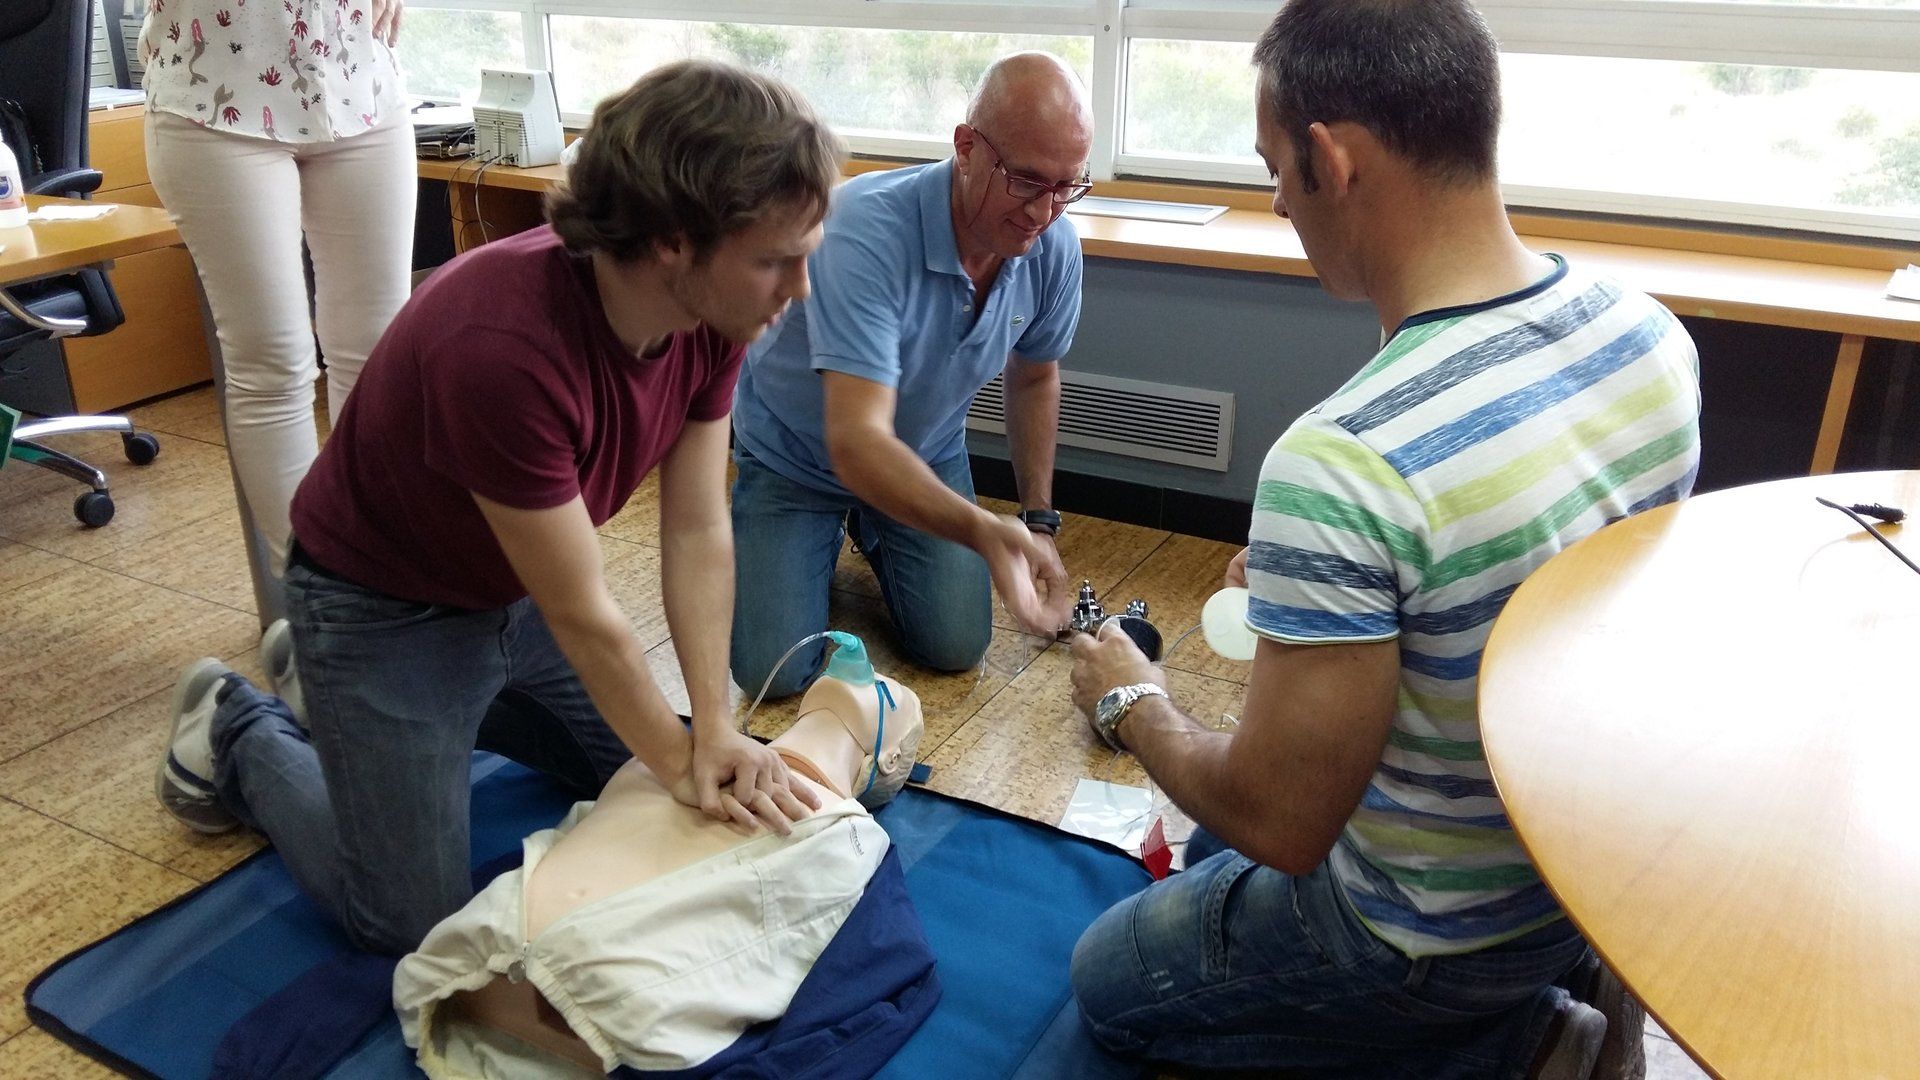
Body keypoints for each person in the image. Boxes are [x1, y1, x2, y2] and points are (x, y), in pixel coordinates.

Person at [1064, 2, 1702, 1077]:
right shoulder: (1645, 333)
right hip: (1585, 880)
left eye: (1275, 168)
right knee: (1214, 842)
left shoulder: (1344, 460)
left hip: (1426, 941)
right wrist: (1330, 588)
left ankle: (1523, 1046)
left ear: (1331, 160)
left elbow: (1284, 822)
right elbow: (1516, 585)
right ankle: (1552, 994)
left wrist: (1133, 703)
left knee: (1106, 982)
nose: (1277, 201)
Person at [154, 60, 841, 955]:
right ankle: (238, 726)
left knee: (653, 780)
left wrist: (711, 727)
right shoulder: (500, 345)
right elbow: (584, 612)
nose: (800, 288)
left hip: (513, 597)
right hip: (381, 609)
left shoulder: (715, 314)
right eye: (776, 261)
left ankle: (337, 698)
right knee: (406, 921)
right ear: (675, 241)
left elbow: (697, 526)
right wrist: (681, 758)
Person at [392, 634, 935, 1078]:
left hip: (472, 968)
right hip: (574, 996)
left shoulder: (841, 834)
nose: (863, 672)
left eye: (884, 692)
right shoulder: (842, 838)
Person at [727, 52, 1093, 699]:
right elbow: (857, 442)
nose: (1045, 212)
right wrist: (981, 531)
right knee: (771, 674)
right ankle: (825, 527)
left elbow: (1035, 378)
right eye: (1027, 181)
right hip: (798, 456)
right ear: (966, 148)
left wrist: (1037, 520)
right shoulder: (861, 229)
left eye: (1068, 186)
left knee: (956, 647)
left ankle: (875, 524)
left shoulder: (1052, 246)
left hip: (923, 450)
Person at [139, 0, 415, 579]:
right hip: (216, 100)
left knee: (378, 358)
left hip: (360, 85)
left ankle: (385, 579)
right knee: (273, 362)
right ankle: (321, 589)